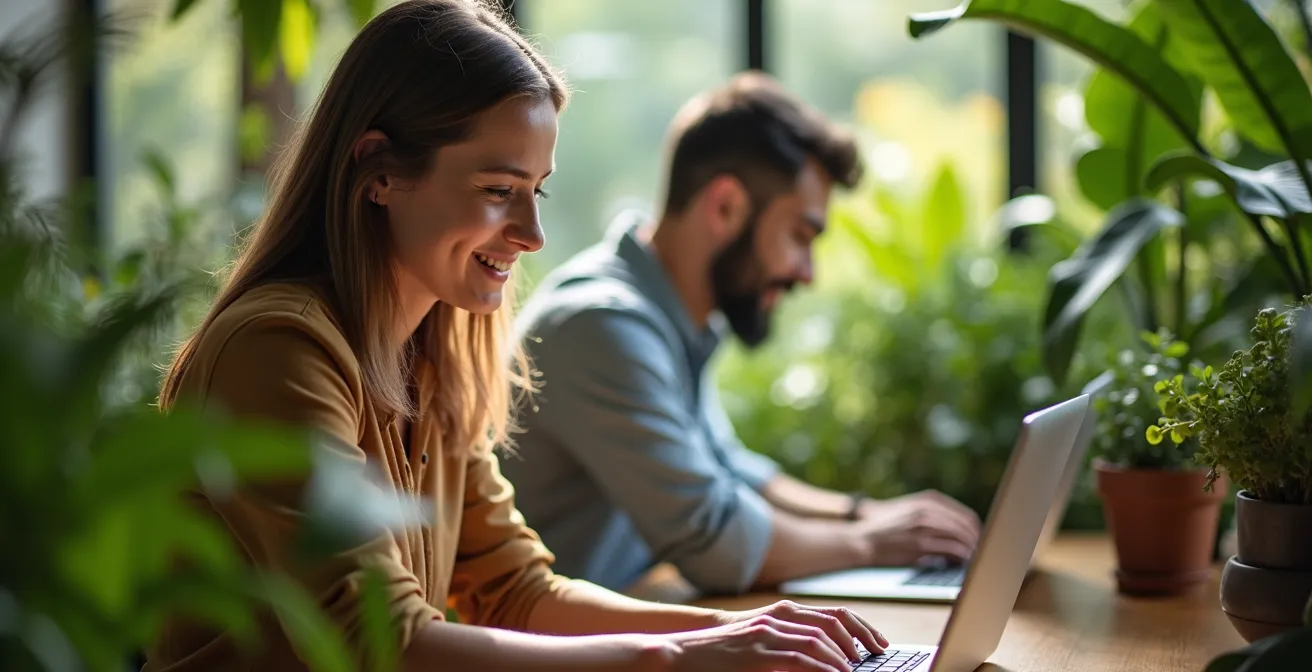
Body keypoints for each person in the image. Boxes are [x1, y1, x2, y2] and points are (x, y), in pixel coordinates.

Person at [146, 3, 888, 670]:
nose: (532, 234)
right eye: (499, 192)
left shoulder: (432, 359)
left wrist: (741, 632)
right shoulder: (276, 350)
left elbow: (514, 590)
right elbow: (381, 637)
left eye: (537, 192)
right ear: (378, 171)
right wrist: (674, 656)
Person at [504, 72, 983, 596]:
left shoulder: (665, 316)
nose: (808, 273)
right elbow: (717, 543)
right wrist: (874, 541)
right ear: (725, 206)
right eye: (801, 235)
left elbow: (733, 471)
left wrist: (865, 515)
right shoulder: (601, 325)